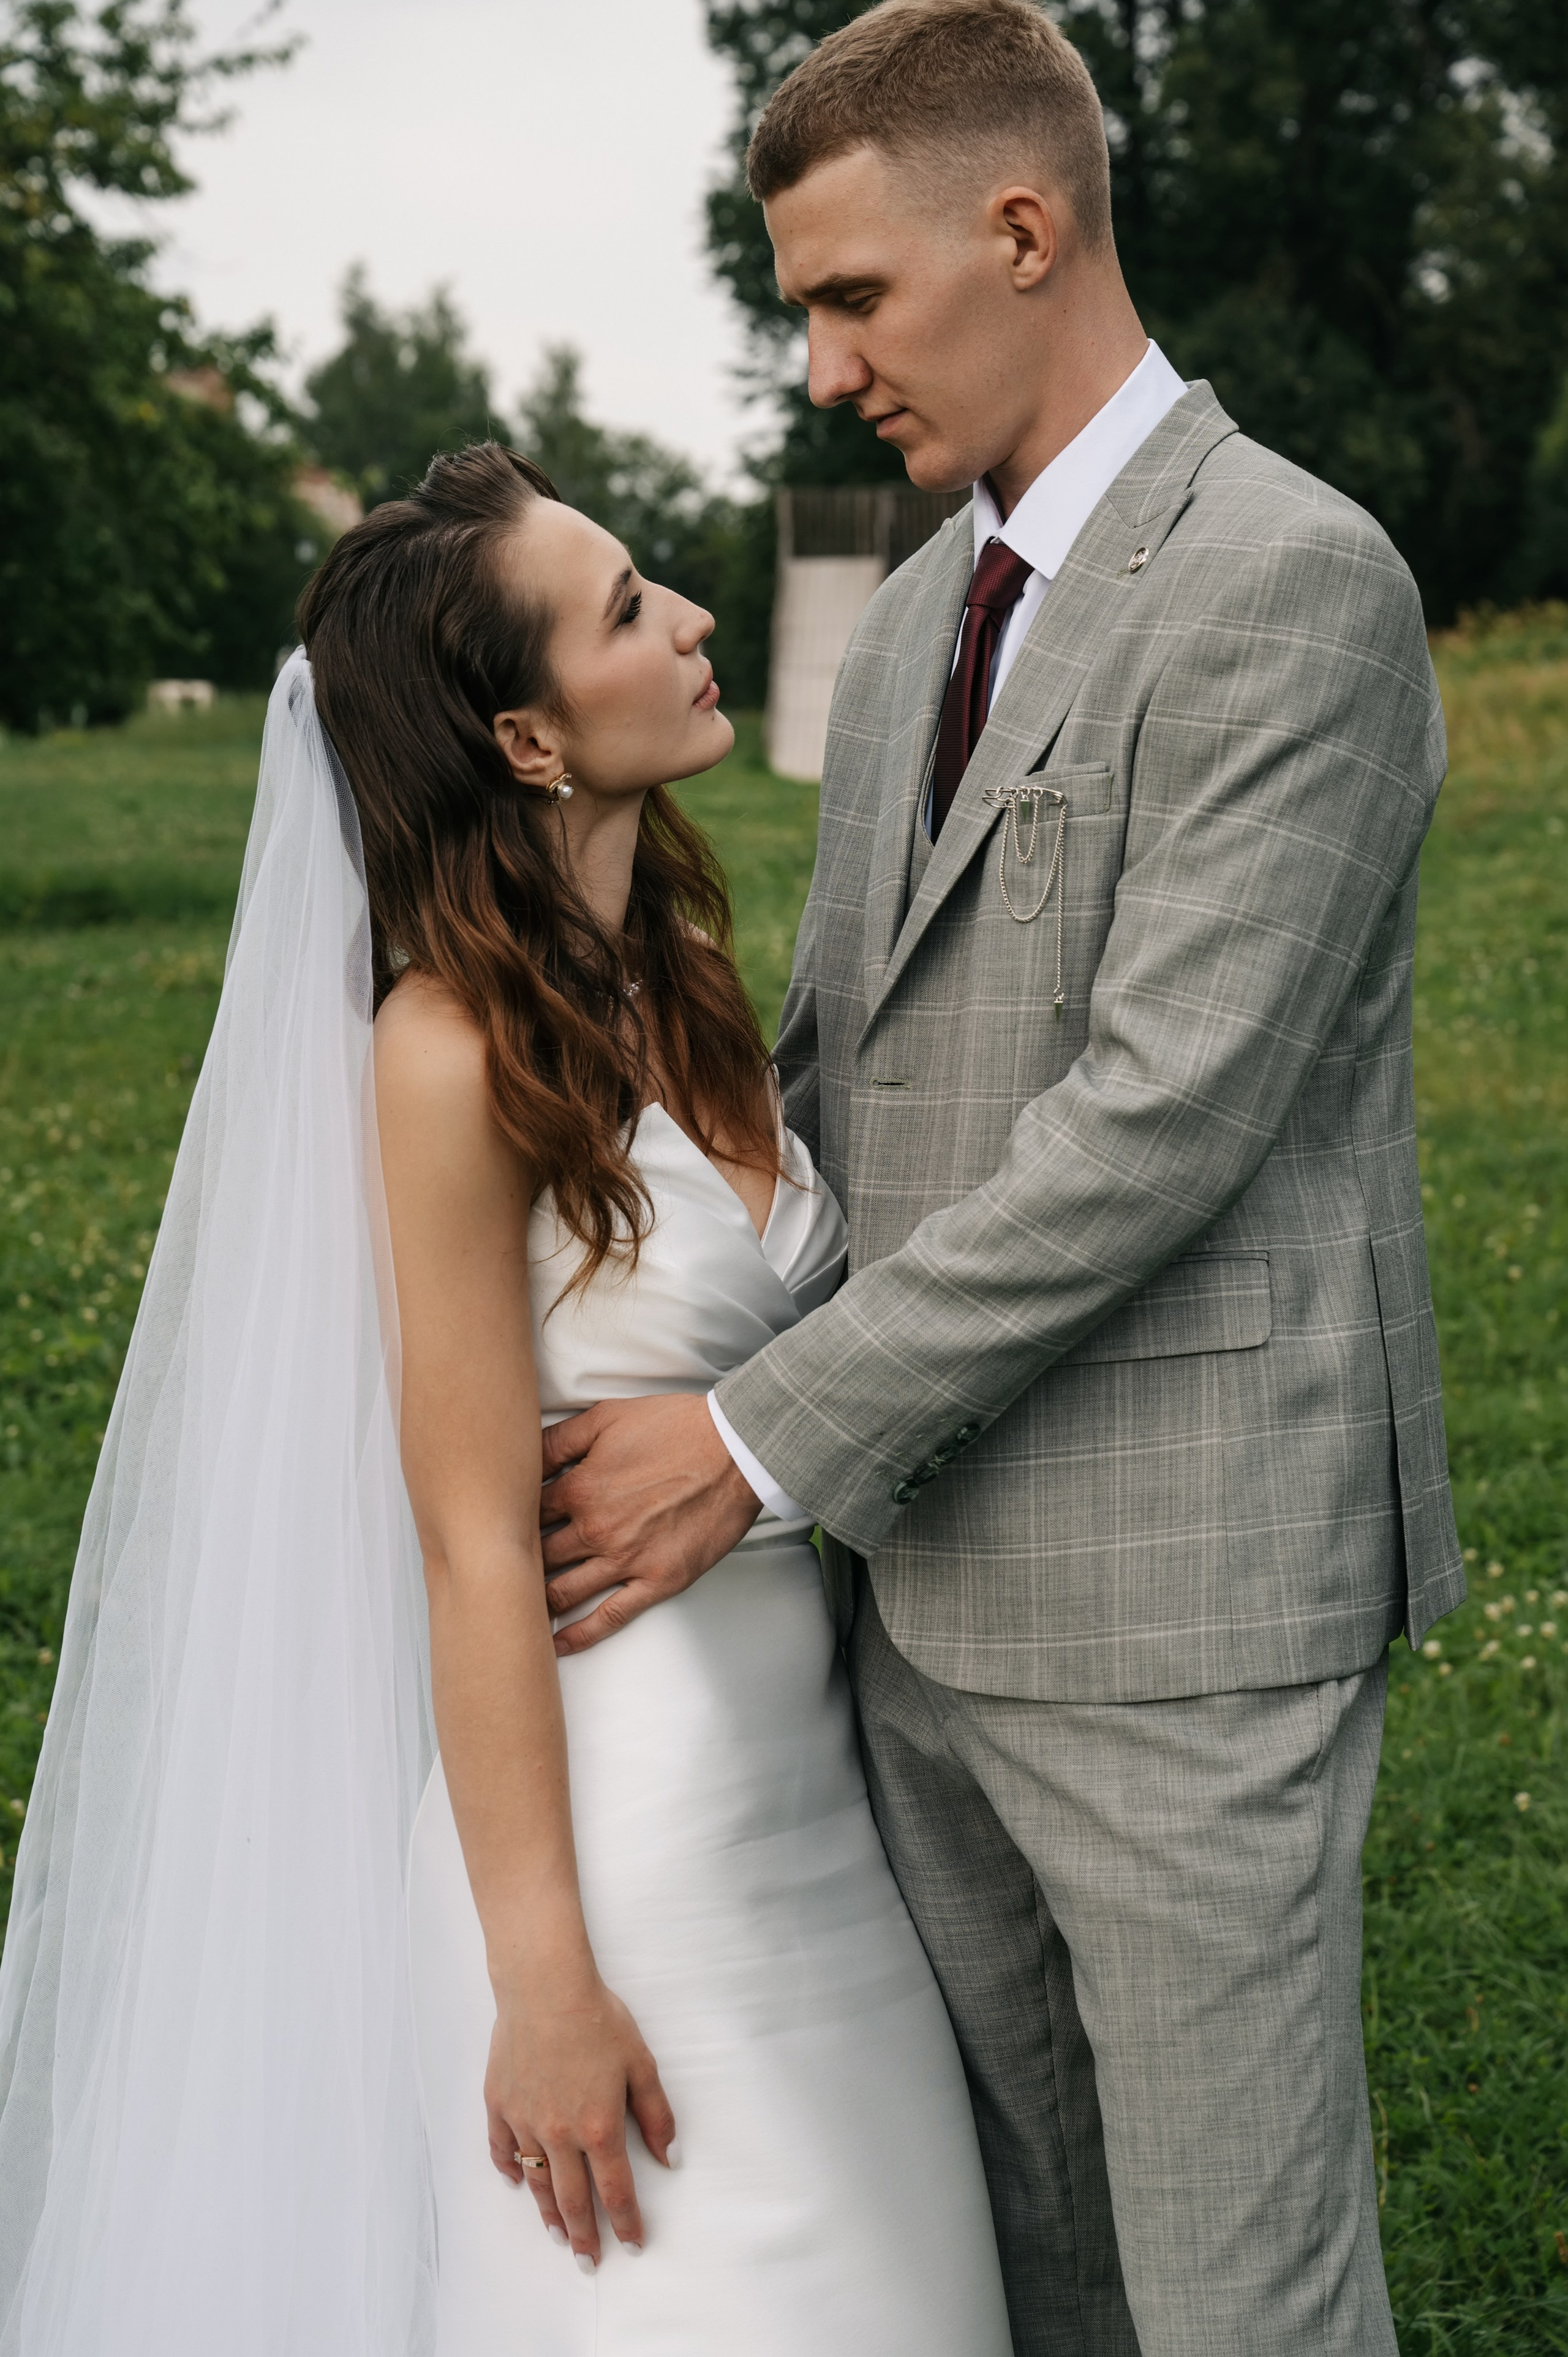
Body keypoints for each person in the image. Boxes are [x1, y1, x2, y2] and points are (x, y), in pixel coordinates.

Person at [533, 4, 1464, 2354]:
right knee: (1030, 2277)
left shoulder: (1294, 578)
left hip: (1183, 1608)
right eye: (806, 310)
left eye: (854, 297)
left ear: (1024, 229)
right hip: (914, 1596)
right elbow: (838, 1067)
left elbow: (1164, 1119)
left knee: (1238, 2296)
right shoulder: (916, 619)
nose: (826, 368)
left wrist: (747, 1441)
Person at [0, 445, 1014, 2355]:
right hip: (621, 1854)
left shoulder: (683, 968)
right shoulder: (445, 1053)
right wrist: (540, 1976)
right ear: (529, 739)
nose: (691, 620)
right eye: (628, 610)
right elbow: (472, 1544)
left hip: (822, 1826)